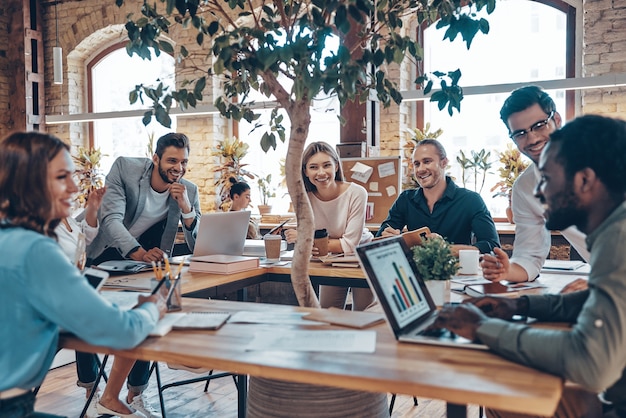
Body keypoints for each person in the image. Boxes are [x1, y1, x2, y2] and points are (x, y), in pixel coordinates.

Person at [432, 115, 626, 418]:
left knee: (506, 395)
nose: (538, 192)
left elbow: (590, 362)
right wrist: (521, 305)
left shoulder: (618, 239)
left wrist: (482, 327)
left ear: (584, 180)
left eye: (547, 179)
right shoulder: (615, 229)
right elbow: (597, 300)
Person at [0, 131, 166, 418]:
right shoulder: (36, 250)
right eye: (62, 177)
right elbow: (123, 332)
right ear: (29, 183)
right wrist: (153, 308)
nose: (75, 187)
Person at [86, 132, 201, 417]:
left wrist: (187, 209)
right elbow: (110, 219)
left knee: (148, 310)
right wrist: (137, 251)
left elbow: (196, 243)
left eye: (184, 162)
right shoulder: (126, 168)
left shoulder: (187, 189)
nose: (179, 168)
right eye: (172, 160)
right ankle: (91, 393)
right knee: (85, 310)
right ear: (155, 158)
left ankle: (135, 393)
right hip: (106, 250)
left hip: (142, 264)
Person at [481, 86, 590, 285]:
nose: (532, 139)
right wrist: (507, 270)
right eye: (520, 133)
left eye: (539, 125)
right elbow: (529, 257)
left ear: (556, 120)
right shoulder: (525, 188)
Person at [284, 142, 374, 310]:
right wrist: (310, 240)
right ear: (305, 171)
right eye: (313, 167)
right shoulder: (305, 199)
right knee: (327, 314)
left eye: (327, 165)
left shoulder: (357, 193)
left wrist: (308, 239)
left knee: (363, 315)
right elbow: (307, 239)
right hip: (330, 258)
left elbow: (349, 244)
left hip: (362, 257)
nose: (321, 172)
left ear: (337, 166)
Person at [376, 139, 500, 255]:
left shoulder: (471, 200)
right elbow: (379, 238)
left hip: (456, 274)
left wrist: (446, 249)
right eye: (416, 164)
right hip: (415, 274)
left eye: (427, 162)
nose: (420, 169)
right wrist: (386, 237)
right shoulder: (405, 199)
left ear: (444, 162)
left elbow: (492, 247)